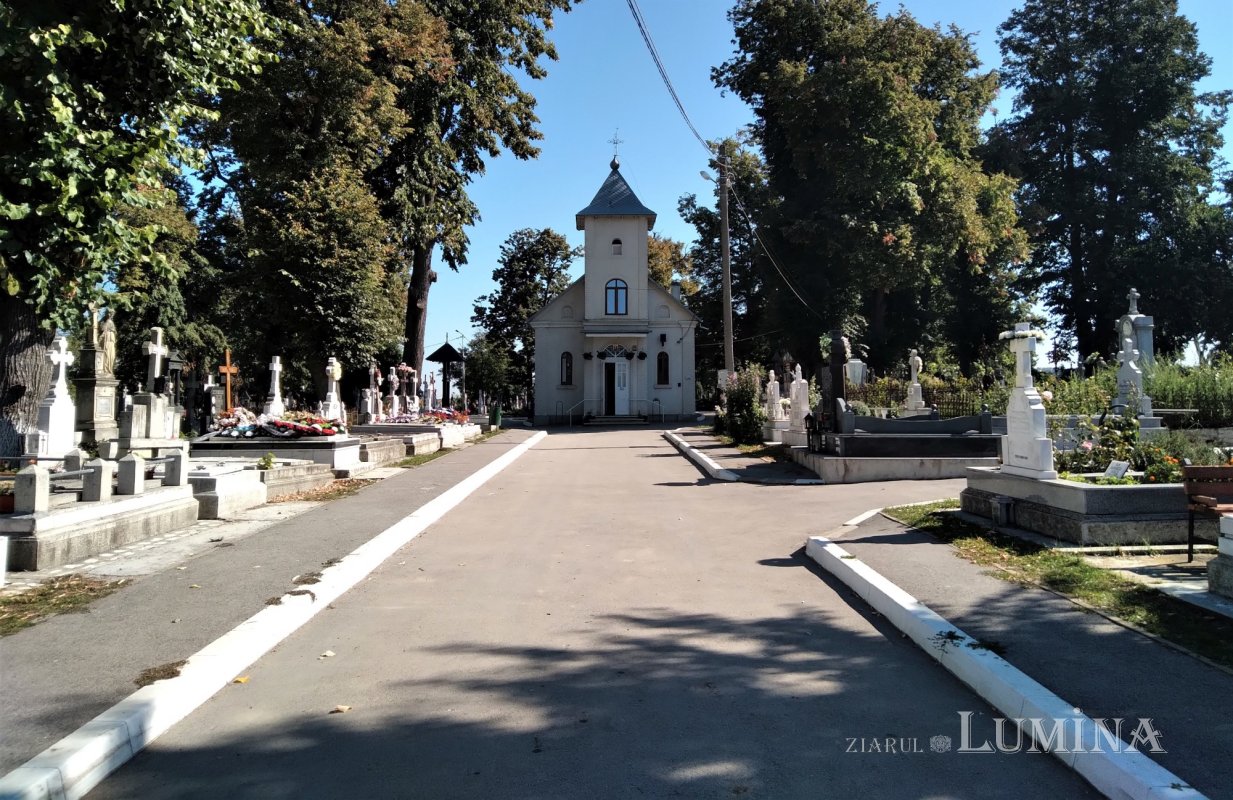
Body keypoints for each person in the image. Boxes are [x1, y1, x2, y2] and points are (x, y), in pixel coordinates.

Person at [100, 310, 117, 376]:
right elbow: (103, 330)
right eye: (110, 313)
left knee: (111, 356)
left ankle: (108, 369)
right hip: (107, 342)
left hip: (111, 342)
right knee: (108, 356)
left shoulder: (110, 322)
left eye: (112, 314)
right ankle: (106, 369)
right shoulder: (107, 322)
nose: (111, 315)